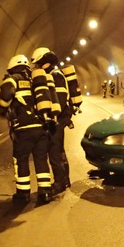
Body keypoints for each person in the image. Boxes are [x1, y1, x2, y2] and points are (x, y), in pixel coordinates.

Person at [0, 54, 53, 204]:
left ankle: (23, 194)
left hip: (23, 128)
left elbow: (6, 93)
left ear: (12, 67)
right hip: (41, 126)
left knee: (21, 160)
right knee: (41, 159)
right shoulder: (34, 79)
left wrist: (2, 110)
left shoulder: (13, 78)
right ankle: (45, 192)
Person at [30, 47, 74, 195]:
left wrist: (51, 116)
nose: (35, 68)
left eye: (37, 64)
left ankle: (60, 183)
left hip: (57, 120)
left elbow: (60, 100)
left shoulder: (55, 76)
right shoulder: (52, 75)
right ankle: (65, 180)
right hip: (58, 120)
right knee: (58, 151)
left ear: (45, 63)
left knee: (54, 152)